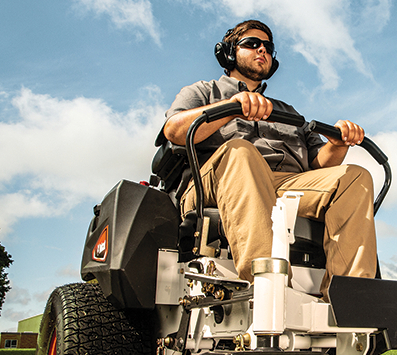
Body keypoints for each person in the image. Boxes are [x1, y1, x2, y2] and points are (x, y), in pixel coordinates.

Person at [161, 19, 377, 297]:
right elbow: (175, 131)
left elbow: (318, 165)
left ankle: (350, 298)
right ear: (228, 52)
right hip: (217, 180)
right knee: (241, 151)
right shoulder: (203, 91)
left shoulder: (289, 112)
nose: (262, 49)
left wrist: (338, 144)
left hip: (286, 185)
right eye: (252, 43)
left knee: (355, 177)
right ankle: (269, 290)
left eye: (268, 47)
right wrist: (231, 107)